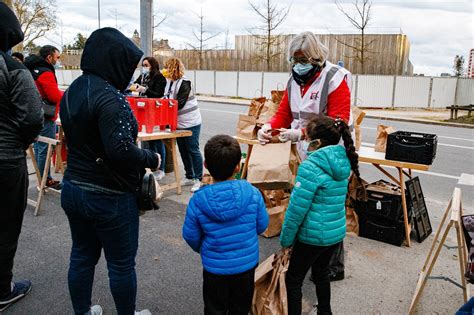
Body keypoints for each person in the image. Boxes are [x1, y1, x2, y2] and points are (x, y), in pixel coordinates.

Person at [59, 27, 159, 315]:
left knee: (81, 256)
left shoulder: (73, 90)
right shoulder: (111, 99)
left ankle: (83, 311)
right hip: (109, 195)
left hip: (74, 187)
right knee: (121, 264)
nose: (130, 73)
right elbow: (121, 151)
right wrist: (151, 158)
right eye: (128, 65)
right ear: (113, 60)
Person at [257, 31, 351, 281]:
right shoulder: (293, 80)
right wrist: (269, 127)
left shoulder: (335, 78)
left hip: (330, 151)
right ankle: (308, 253)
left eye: (303, 60)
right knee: (306, 202)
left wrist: (298, 133)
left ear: (315, 58)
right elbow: (284, 113)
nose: (298, 65)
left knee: (328, 207)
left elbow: (339, 120)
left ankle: (331, 265)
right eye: (294, 60)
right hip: (306, 150)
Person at [280, 116, 360, 315]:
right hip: (333, 235)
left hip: (312, 236)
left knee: (293, 279)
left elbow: (296, 211)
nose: (304, 142)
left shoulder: (310, 167)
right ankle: (325, 312)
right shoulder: (343, 161)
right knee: (321, 273)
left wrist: (286, 241)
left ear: (315, 142)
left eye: (306, 138)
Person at [182, 135, 269, 314]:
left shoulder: (198, 201)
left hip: (215, 269)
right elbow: (262, 225)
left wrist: (207, 248)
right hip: (246, 265)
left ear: (206, 165)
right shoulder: (253, 193)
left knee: (215, 309)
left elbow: (191, 235)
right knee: (241, 308)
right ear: (238, 166)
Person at [0, 3, 44, 312]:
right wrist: (18, 143)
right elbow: (32, 117)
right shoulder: (13, 68)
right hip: (5, 159)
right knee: (4, 225)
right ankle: (3, 289)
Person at [24, 44, 64, 190]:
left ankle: (44, 177)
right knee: (44, 149)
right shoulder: (46, 72)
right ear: (49, 57)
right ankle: (43, 179)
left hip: (31, 113)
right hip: (46, 116)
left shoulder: (31, 69)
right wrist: (64, 94)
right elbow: (53, 96)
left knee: (40, 148)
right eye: (57, 57)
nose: (58, 60)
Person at [163, 57, 203, 192]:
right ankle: (189, 176)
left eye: (167, 67)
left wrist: (164, 105)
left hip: (191, 122)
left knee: (193, 149)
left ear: (173, 68)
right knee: (183, 150)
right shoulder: (169, 82)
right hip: (179, 123)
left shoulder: (185, 83)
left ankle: (199, 179)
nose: (165, 70)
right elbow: (166, 98)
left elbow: (178, 103)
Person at [131, 56, 167, 180]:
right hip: (142, 110)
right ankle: (152, 166)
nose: (144, 67)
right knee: (148, 140)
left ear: (152, 65)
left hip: (154, 111)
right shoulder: (144, 76)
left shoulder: (159, 78)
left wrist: (145, 89)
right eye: (143, 65)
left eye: (146, 65)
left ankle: (161, 168)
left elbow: (158, 94)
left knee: (157, 140)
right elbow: (135, 83)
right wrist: (135, 87)